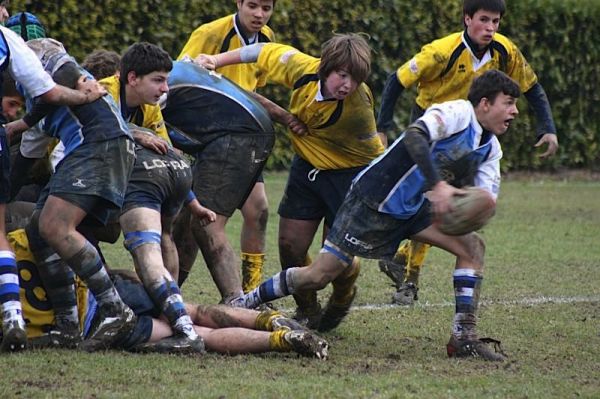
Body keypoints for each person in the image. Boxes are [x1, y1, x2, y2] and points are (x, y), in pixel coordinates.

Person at [230, 70, 520, 362]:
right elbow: (415, 134)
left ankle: (463, 337)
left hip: (414, 207)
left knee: (472, 248)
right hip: (373, 198)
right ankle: (245, 303)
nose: (515, 111)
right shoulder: (457, 112)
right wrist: (440, 185)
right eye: (508, 103)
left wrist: (477, 207)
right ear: (484, 103)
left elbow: (484, 198)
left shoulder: (491, 149)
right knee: (318, 276)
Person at [195, 33, 386, 328]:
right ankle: (308, 310)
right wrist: (215, 60)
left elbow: (376, 155)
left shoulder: (358, 107)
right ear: (326, 66)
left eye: (356, 79)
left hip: (348, 176)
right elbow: (263, 50)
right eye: (343, 75)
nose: (348, 85)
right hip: (307, 169)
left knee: (335, 261)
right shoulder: (302, 68)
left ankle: (343, 294)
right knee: (289, 246)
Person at [376, 0, 559, 305]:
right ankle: (408, 275)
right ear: (467, 19)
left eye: (496, 22)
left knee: (446, 203)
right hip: (432, 131)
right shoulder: (440, 51)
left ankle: (405, 268)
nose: (490, 28)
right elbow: (396, 81)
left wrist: (547, 127)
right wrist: (382, 128)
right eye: (484, 20)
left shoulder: (505, 50)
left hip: (470, 136)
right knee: (425, 200)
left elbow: (532, 87)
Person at [4, 227, 329, 359]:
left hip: (94, 326)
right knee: (197, 314)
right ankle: (273, 322)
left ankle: (283, 341)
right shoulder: (16, 233)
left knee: (200, 334)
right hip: (107, 293)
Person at [3, 37, 137, 352]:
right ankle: (67, 326)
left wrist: (75, 87)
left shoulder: (39, 55)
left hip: (98, 143)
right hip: (97, 147)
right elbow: (23, 161)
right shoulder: (36, 103)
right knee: (38, 228)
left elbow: (64, 72)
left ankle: (115, 308)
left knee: (54, 226)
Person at [161, 59, 303, 302]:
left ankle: (236, 301)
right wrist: (284, 117)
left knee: (206, 222)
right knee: (186, 220)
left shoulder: (154, 89)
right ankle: (169, 296)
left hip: (238, 135)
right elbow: (235, 89)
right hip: (242, 130)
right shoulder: (174, 70)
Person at [178, 0, 276, 293]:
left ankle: (253, 292)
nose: (259, 14)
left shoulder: (267, 38)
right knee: (196, 221)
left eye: (267, 8)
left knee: (258, 211)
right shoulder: (211, 33)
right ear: (239, 3)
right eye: (253, 6)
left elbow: (255, 88)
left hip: (243, 137)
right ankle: (173, 290)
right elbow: (181, 77)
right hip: (211, 138)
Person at [119, 137, 216, 353]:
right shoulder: (152, 112)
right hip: (179, 171)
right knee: (164, 235)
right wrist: (195, 205)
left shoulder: (101, 106)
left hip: (143, 173)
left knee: (147, 253)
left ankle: (185, 330)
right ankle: (171, 306)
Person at [99, 42, 173, 154]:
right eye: (158, 80)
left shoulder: (150, 105)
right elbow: (97, 133)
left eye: (166, 81)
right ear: (133, 78)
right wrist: (135, 134)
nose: (166, 89)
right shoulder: (102, 93)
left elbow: (166, 147)